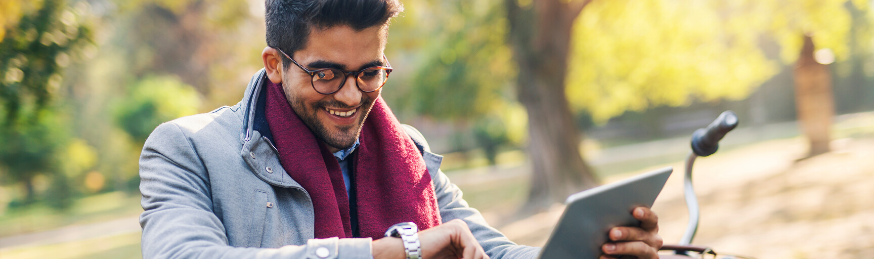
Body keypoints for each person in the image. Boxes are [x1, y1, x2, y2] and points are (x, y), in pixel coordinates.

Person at [138, 0, 663, 258]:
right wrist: (396, 251)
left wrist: (594, 251)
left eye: (369, 72)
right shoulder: (185, 149)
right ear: (275, 64)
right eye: (325, 74)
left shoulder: (408, 149)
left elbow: (489, 252)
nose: (350, 96)